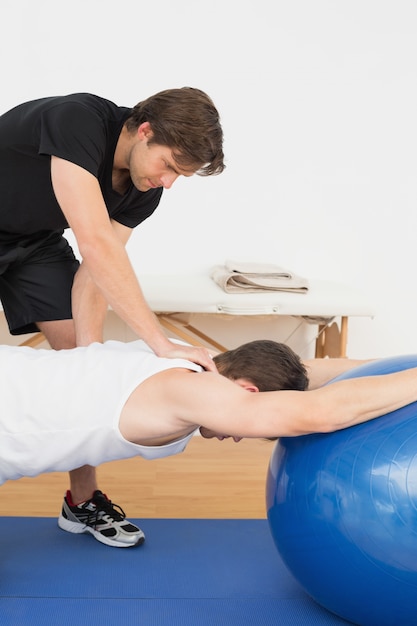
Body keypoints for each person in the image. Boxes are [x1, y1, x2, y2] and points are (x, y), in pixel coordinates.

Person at [0, 88, 225, 546]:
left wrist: (89, 357)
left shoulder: (143, 190)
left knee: (78, 371)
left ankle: (81, 501)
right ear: (145, 131)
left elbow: (92, 275)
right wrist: (161, 343)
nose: (168, 182)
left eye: (181, 176)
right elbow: (96, 245)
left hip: (33, 245)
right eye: (169, 165)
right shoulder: (76, 121)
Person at [1, 338, 417, 548]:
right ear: (248, 392)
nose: (236, 434)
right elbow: (323, 412)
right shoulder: (198, 392)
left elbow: (314, 369)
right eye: (245, 422)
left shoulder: (197, 361)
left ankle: (76, 509)